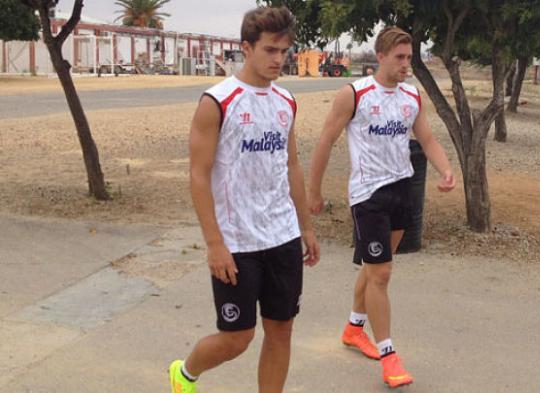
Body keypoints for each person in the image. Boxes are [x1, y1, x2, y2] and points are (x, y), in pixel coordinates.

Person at [169, 6, 320, 393]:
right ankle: (184, 374)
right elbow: (198, 175)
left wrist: (306, 227)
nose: (278, 59)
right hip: (236, 242)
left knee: (281, 329)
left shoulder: (286, 101)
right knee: (238, 338)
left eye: (284, 50)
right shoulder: (217, 101)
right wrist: (214, 243)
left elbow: (292, 167)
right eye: (270, 50)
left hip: (282, 235)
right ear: (246, 48)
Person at [307, 26, 456, 388]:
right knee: (382, 273)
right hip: (368, 195)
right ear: (383, 56)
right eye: (401, 57)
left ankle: (354, 327)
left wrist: (447, 169)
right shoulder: (354, 95)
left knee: (377, 269)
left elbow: (427, 137)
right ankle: (390, 355)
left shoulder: (411, 95)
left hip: (402, 190)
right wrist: (313, 192)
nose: (408, 64)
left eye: (410, 57)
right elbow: (325, 140)